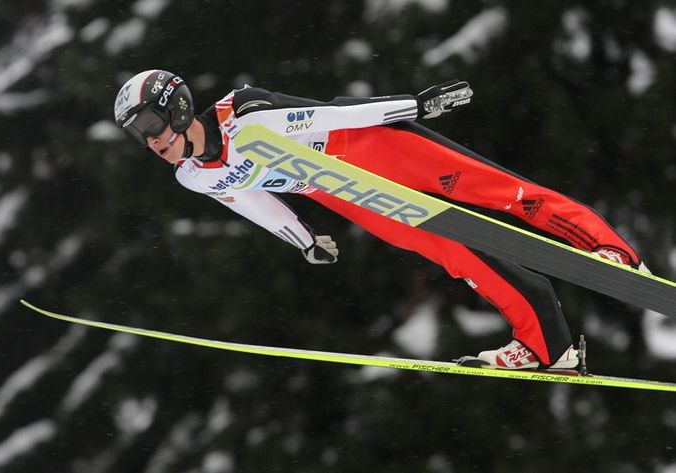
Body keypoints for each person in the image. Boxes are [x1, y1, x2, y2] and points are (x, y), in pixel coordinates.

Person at [113, 70, 648, 370]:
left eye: (152, 123)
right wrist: (302, 239)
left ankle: (615, 255)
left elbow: (331, 114)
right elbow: (250, 200)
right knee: (457, 253)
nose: (152, 140)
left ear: (177, 107)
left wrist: (413, 106)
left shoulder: (243, 113)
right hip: (343, 192)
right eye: (140, 135)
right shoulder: (193, 176)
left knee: (502, 194)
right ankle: (548, 347)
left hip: (368, 146)